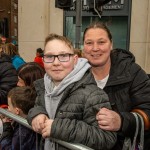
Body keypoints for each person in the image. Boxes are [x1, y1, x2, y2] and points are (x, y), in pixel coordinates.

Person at [27, 33, 117, 150]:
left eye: (63, 56)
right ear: (43, 60)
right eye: (49, 57)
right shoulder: (44, 87)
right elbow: (37, 106)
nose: (56, 63)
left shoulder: (93, 95)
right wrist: (37, 114)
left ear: (75, 59)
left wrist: (58, 128)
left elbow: (106, 138)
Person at [82, 21, 150, 150]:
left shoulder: (132, 72)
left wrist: (122, 121)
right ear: (83, 47)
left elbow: (147, 109)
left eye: (101, 42)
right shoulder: (76, 76)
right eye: (89, 43)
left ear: (111, 45)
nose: (95, 48)